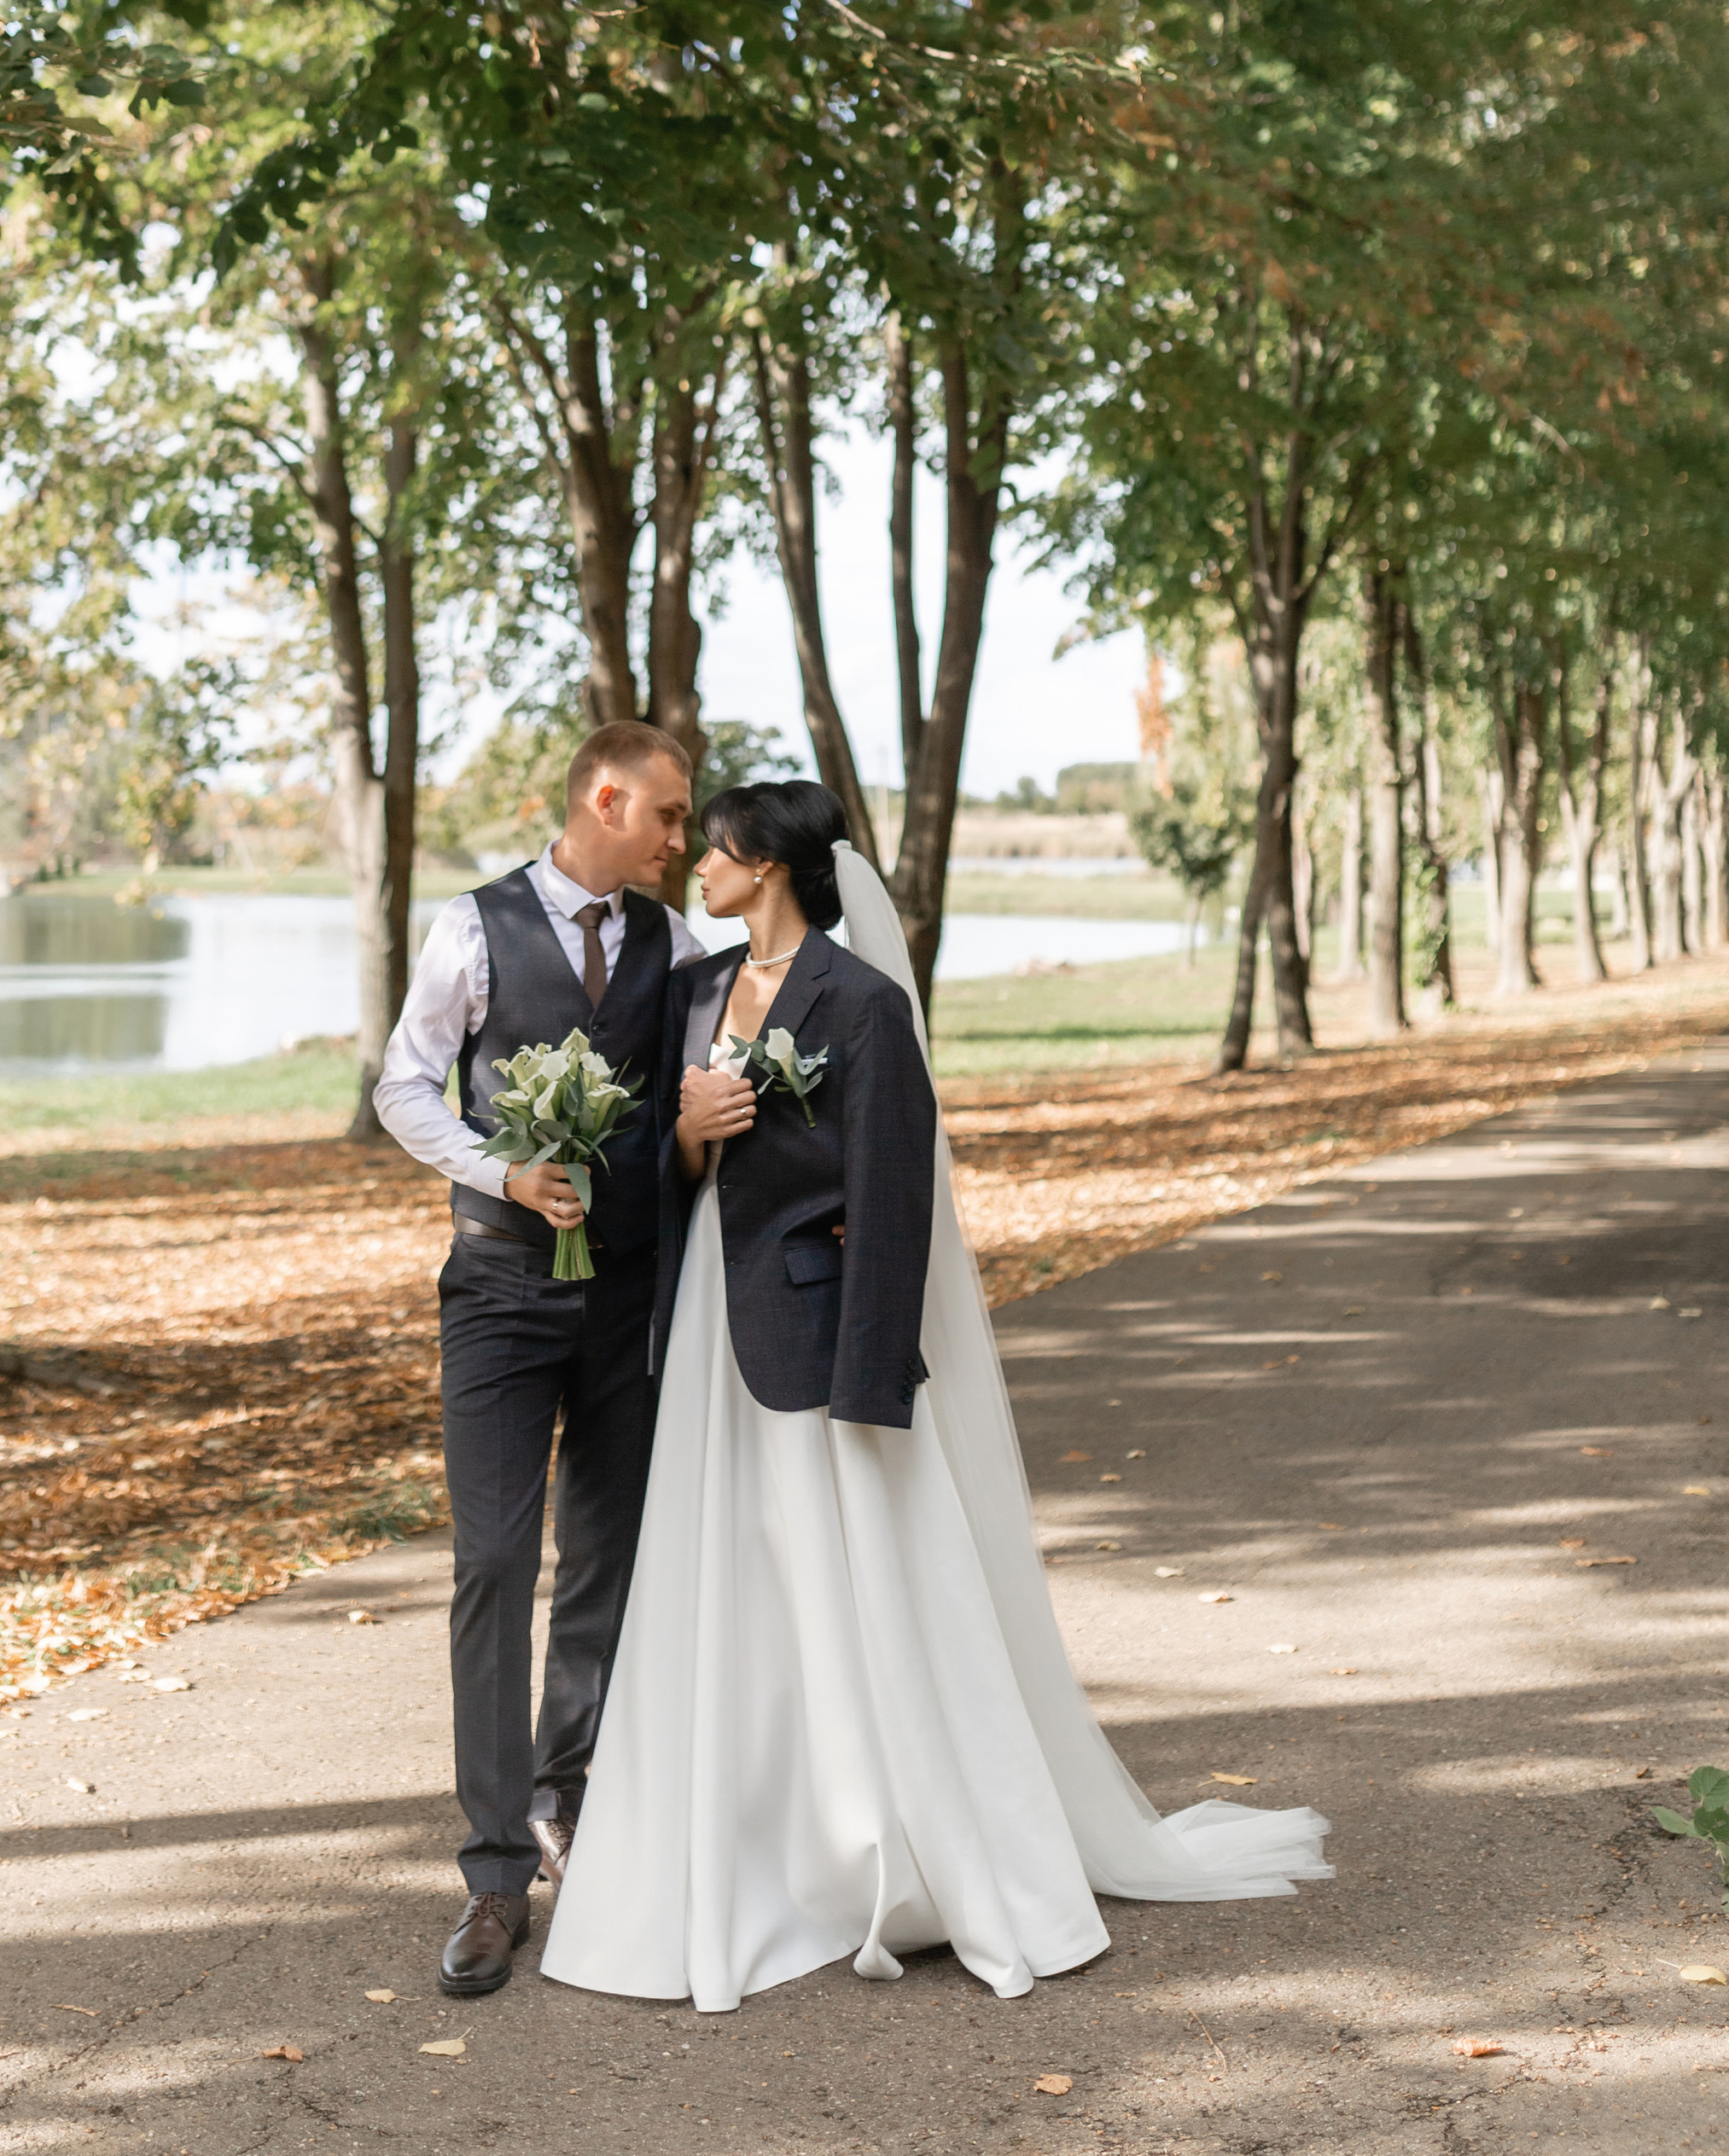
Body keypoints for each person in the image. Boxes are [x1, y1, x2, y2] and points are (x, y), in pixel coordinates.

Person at [543, 778, 1330, 2014]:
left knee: (851, 1589)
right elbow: (667, 1166)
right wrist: (691, 1131)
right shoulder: (697, 990)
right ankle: (736, 1845)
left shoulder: (861, 1003)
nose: (699, 863)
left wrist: (871, 1375)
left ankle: (900, 1852)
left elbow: (894, 1202)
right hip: (706, 1335)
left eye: (718, 846)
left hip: (814, 1339)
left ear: (769, 864)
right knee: (720, 1579)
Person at [373, 718, 710, 1998]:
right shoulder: (474, 928)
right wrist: (500, 1169)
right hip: (501, 1294)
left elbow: (694, 1099)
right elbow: (405, 1086)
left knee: (603, 1563)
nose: (680, 837)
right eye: (668, 814)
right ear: (605, 800)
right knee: (495, 1563)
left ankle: (565, 1800)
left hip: (627, 1299)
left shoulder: (678, 946)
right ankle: (493, 1873)